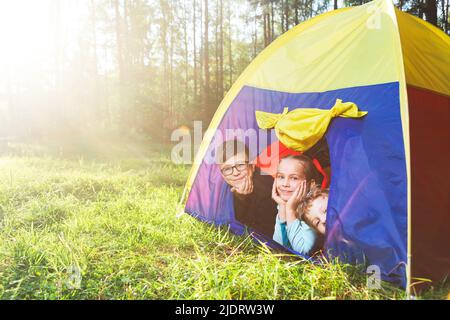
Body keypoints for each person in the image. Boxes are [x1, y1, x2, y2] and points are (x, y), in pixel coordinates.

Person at [216, 139, 278, 237]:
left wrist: (243, 200)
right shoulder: (218, 189)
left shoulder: (267, 189)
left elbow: (262, 235)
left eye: (240, 165)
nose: (235, 173)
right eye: (227, 169)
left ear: (252, 166)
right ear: (222, 175)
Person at [271, 155, 320, 255]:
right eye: (281, 177)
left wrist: (290, 210)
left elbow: (302, 251)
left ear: (310, 184)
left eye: (294, 178)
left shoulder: (313, 208)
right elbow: (279, 246)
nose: (285, 184)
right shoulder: (285, 204)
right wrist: (282, 207)